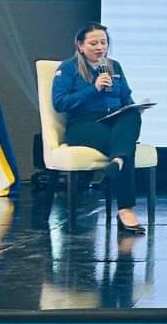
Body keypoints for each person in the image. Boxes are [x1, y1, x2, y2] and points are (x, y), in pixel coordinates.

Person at [51, 22, 147, 235]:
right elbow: (59, 103)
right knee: (126, 145)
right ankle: (125, 209)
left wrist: (136, 108)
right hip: (83, 124)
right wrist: (93, 89)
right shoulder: (68, 68)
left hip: (114, 120)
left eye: (103, 42)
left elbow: (125, 98)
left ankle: (117, 161)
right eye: (93, 43)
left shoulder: (114, 66)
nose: (100, 47)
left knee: (131, 114)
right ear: (80, 45)